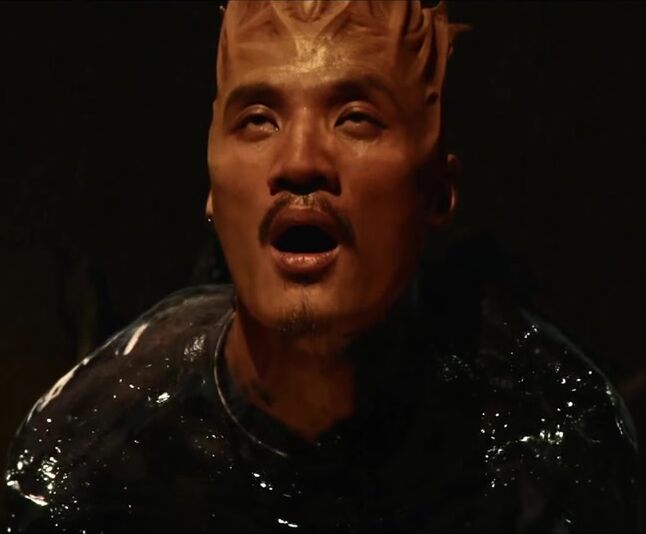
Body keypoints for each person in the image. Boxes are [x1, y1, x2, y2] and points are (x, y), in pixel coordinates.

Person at [4, 1, 640, 532]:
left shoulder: (548, 442)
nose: (300, 161)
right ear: (212, 188)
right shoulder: (99, 460)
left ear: (438, 191)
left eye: (355, 119)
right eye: (258, 121)